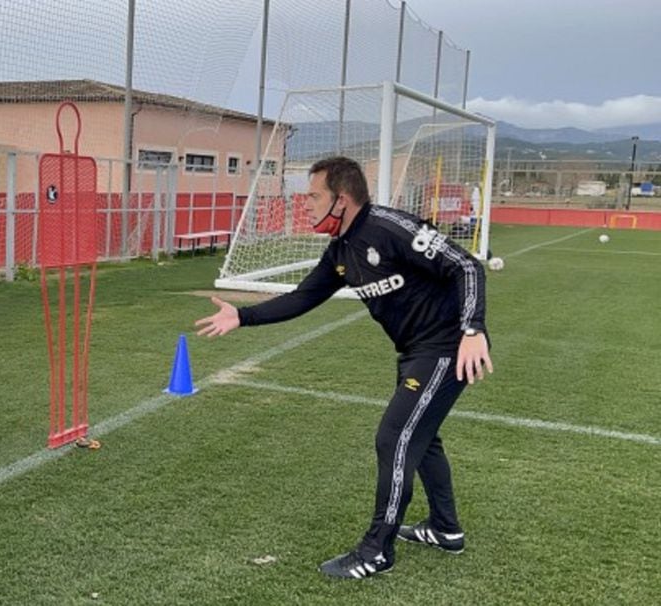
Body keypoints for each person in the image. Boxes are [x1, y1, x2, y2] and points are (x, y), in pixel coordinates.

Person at [195, 156, 493, 579]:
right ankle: (446, 529)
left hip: (447, 347)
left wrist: (472, 329)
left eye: (315, 196)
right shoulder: (340, 251)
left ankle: (377, 550)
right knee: (422, 439)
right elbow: (301, 298)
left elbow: (465, 266)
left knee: (395, 438)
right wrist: (242, 316)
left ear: (343, 198)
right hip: (415, 351)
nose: (308, 205)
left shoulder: (390, 229)